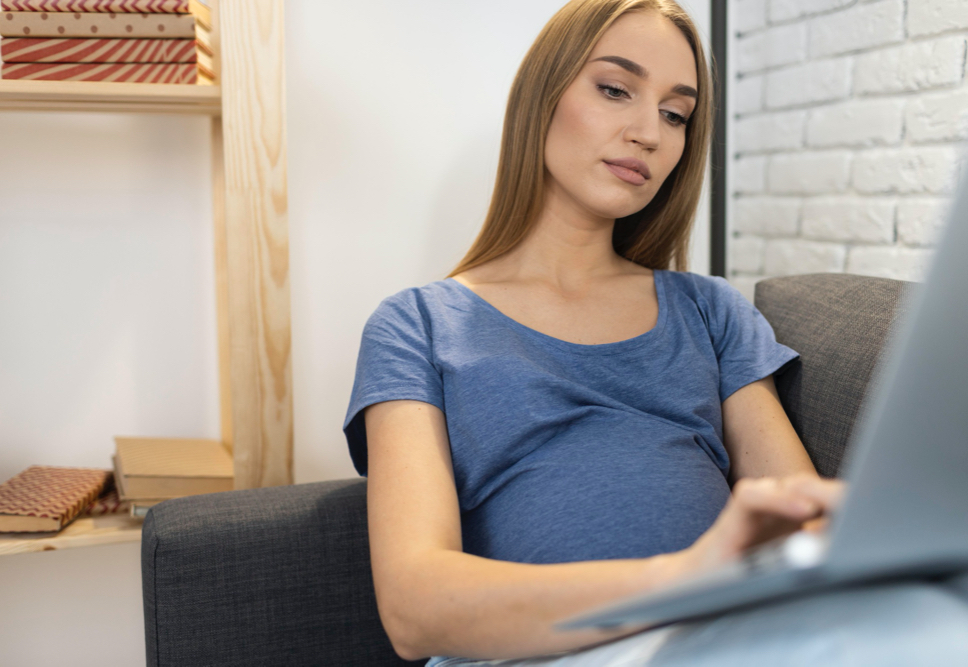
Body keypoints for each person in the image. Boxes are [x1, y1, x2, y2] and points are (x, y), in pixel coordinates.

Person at [342, 1, 968, 665]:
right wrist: (682, 578)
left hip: (720, 638)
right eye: (615, 89)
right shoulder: (417, 325)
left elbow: (799, 519)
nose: (650, 132)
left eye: (676, 113)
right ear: (542, 93)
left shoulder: (707, 311)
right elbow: (415, 608)